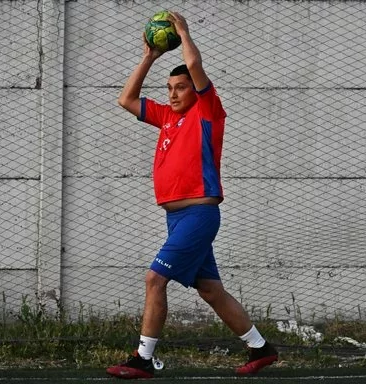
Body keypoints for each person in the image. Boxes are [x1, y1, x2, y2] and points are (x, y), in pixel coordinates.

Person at [106, 11, 278, 380]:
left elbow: (195, 63)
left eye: (180, 87)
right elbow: (126, 98)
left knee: (155, 279)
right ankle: (261, 348)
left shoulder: (208, 112)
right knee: (211, 291)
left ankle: (143, 358)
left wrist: (182, 32)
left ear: (195, 90)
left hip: (200, 215)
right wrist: (149, 57)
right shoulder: (167, 117)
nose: (173, 94)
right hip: (176, 219)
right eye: (170, 89)